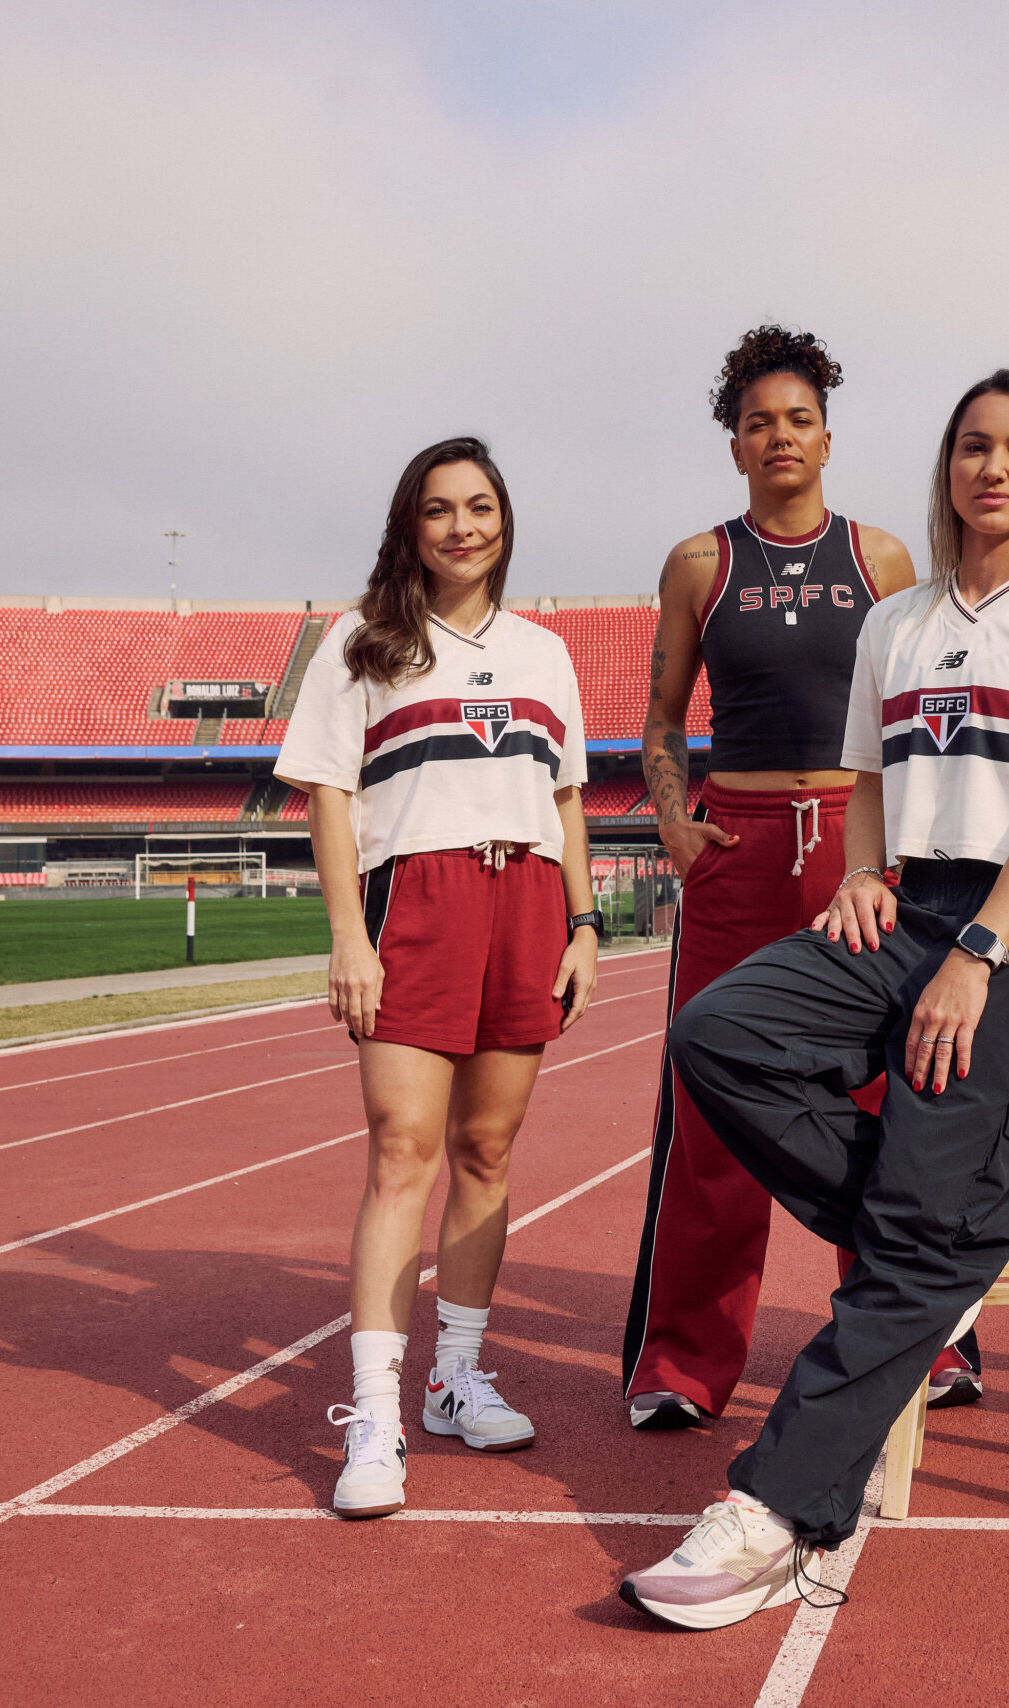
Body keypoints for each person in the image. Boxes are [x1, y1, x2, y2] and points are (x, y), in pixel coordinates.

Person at [620, 369, 1009, 1628]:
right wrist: (859, 872)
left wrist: (981, 953)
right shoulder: (896, 621)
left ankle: (777, 1508)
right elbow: (864, 778)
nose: (991, 468)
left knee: (913, 1217)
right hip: (906, 901)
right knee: (718, 1032)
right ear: (945, 465)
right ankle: (934, 1241)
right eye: (971, 446)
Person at [623, 325, 962, 1434]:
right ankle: (682, 1363)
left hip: (856, 850)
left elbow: (914, 724)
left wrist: (905, 852)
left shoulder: (883, 561)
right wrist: (675, 821)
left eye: (798, 418)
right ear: (735, 445)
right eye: (758, 421)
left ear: (827, 437)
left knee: (887, 1088)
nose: (780, 436)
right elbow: (664, 721)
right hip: (741, 844)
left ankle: (926, 1334)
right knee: (711, 1099)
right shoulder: (698, 563)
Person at [275, 436, 603, 1519]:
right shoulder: (363, 645)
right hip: (413, 901)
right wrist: (346, 936)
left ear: (504, 521)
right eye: (438, 509)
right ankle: (375, 1412)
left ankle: (458, 1376)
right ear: (408, 527)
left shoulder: (547, 652)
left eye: (479, 507)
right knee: (401, 1150)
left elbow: (564, 800)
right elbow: (327, 792)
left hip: (526, 907)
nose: (462, 527)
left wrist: (584, 920)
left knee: (488, 1149)